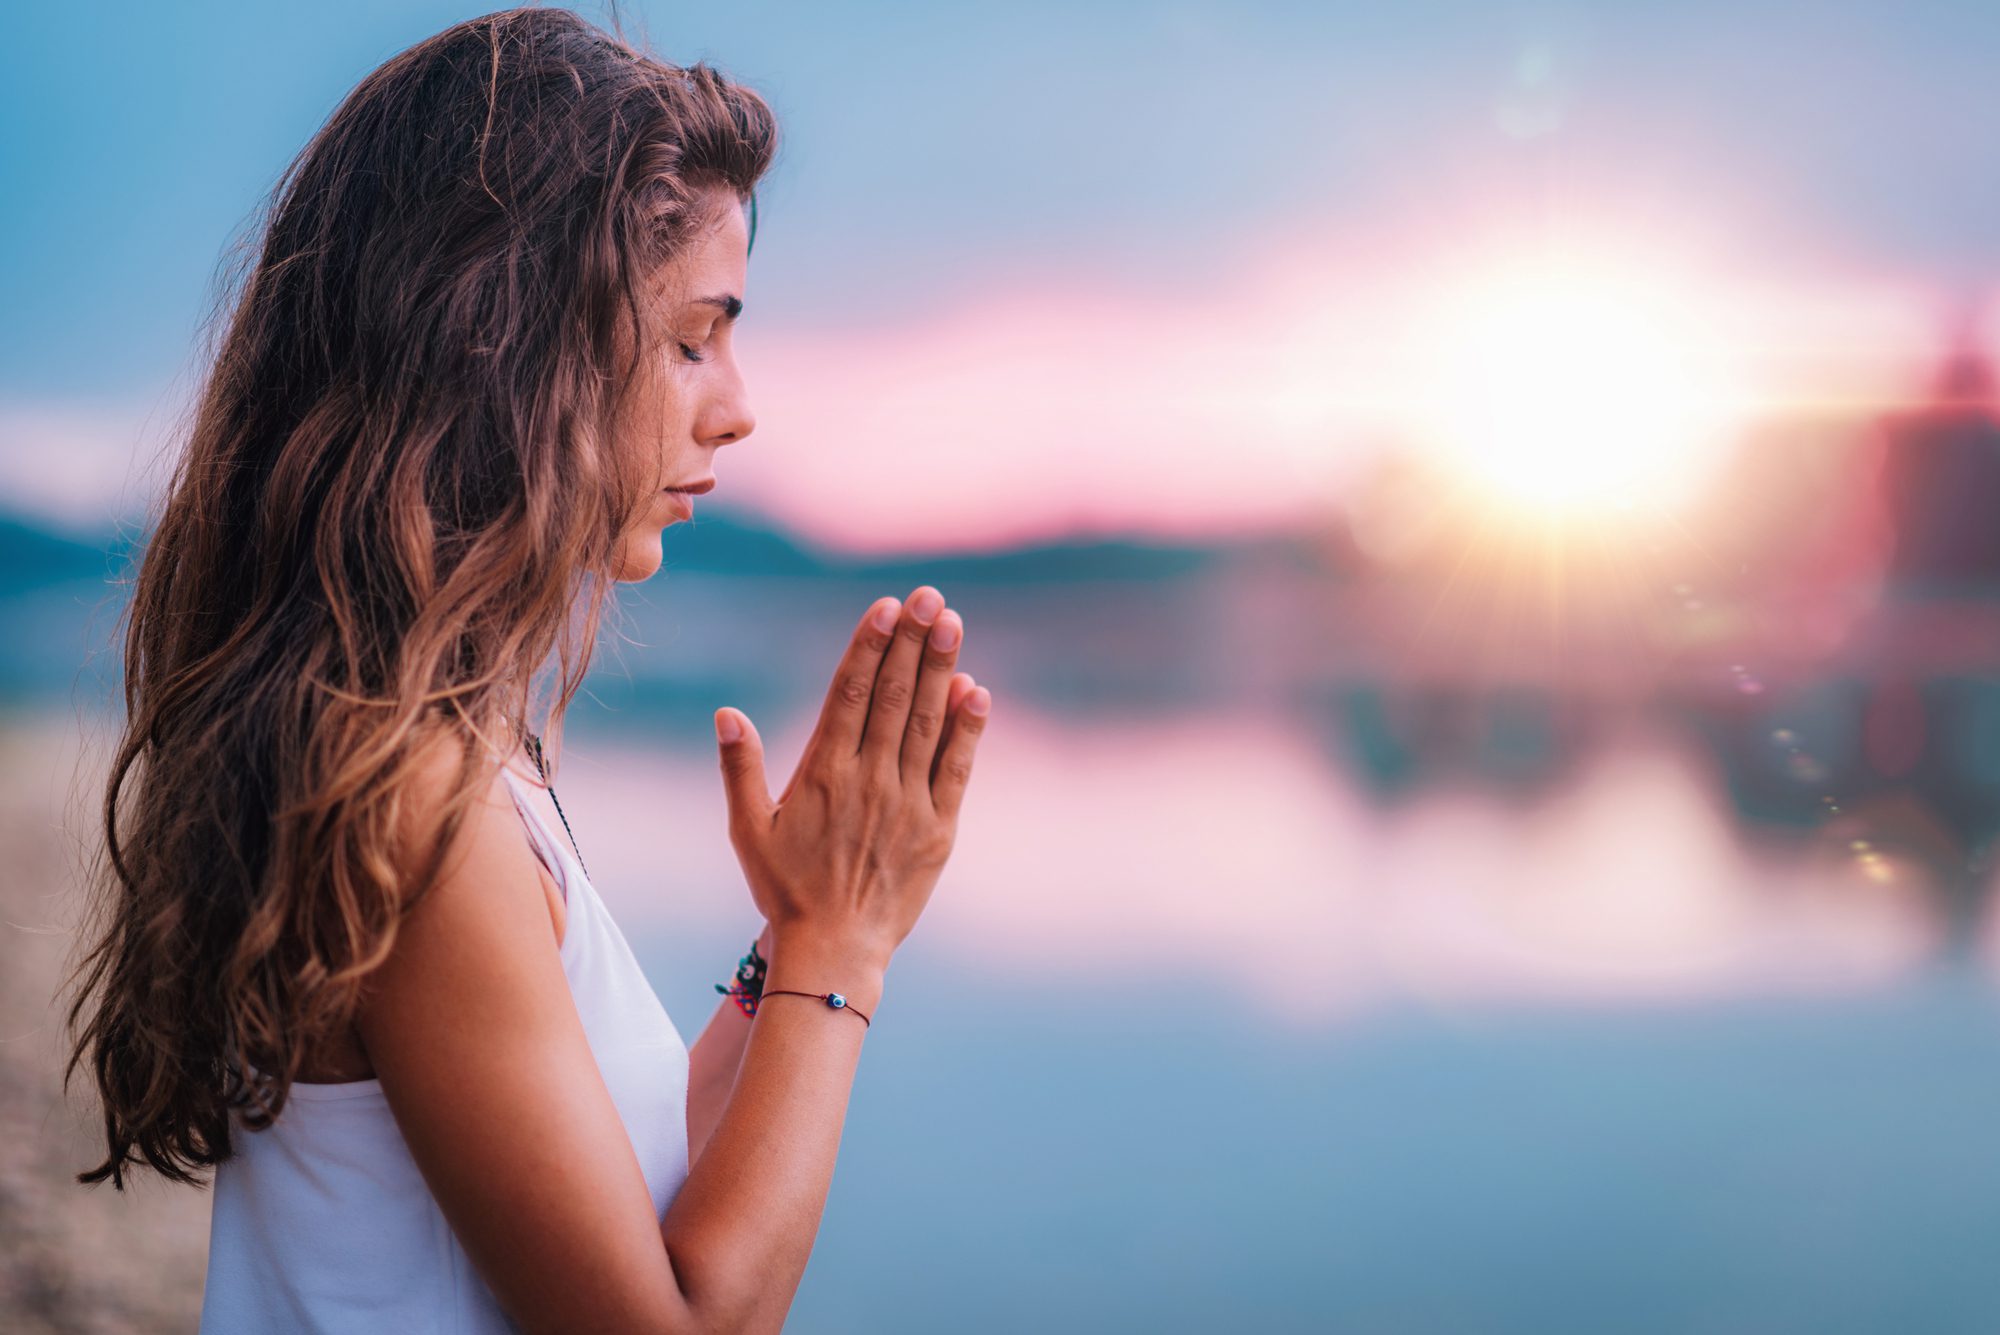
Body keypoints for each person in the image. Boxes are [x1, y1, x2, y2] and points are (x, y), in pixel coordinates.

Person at [61, 8, 992, 1331]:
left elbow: (609, 1176)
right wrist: (842, 956)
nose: (734, 404)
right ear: (507, 345)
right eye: (690, 337)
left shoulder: (442, 755)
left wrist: (801, 937)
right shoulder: (417, 810)